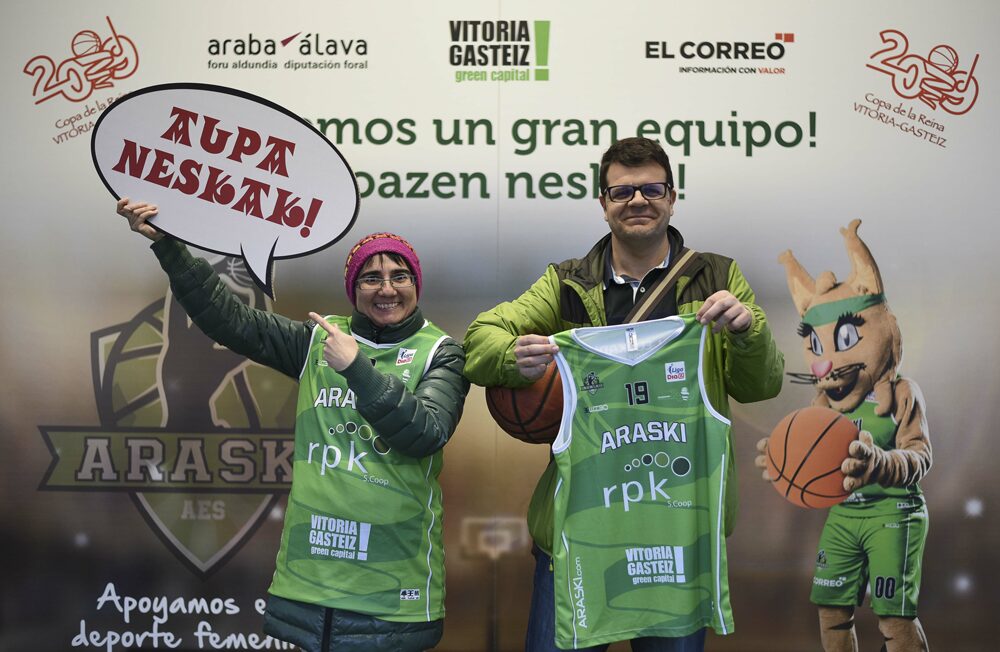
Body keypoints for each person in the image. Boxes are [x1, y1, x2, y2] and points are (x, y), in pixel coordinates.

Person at [463, 137, 784, 651]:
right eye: (622, 192)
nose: (638, 201)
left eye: (651, 189)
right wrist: (512, 359)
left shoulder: (720, 278)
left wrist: (748, 331)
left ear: (672, 197)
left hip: (677, 529)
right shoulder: (566, 283)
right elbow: (479, 339)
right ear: (603, 202)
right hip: (581, 526)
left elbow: (761, 384)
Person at [116, 198, 469, 652]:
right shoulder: (318, 340)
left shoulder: (441, 352)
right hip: (311, 579)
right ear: (353, 288)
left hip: (391, 587)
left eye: (400, 276)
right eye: (371, 278)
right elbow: (231, 321)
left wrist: (357, 368)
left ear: (416, 284)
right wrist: (169, 247)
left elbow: (425, 434)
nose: (387, 289)